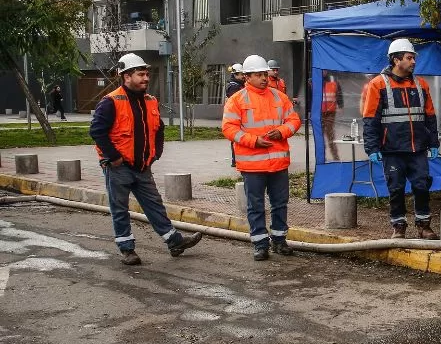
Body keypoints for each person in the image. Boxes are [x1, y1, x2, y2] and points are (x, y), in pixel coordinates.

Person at [89, 53, 204, 266]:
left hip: (142, 166)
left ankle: (174, 242)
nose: (146, 78)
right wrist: (113, 158)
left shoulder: (150, 101)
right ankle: (127, 250)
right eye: (141, 74)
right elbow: (97, 132)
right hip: (119, 167)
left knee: (155, 206)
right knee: (120, 209)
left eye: (146, 74)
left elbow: (158, 128)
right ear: (126, 77)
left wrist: (156, 153)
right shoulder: (111, 102)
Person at [223, 55, 301, 261]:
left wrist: (282, 131)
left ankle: (279, 240)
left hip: (278, 163)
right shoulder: (237, 100)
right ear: (247, 77)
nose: (264, 78)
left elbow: (294, 120)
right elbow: (229, 129)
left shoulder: (279, 97)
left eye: (265, 74)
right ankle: (260, 244)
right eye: (259, 75)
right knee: (255, 206)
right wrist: (254, 141)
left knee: (280, 203)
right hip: (252, 165)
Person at [361, 38, 439, 239]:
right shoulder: (377, 85)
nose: (413, 61)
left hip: (418, 148)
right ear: (396, 60)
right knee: (396, 188)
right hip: (392, 149)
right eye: (409, 57)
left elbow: (430, 116)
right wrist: (372, 147)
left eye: (413, 58)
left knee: (422, 186)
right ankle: (398, 226)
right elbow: (370, 118)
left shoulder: (421, 84)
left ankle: (424, 225)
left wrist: (434, 142)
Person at [320, 70, 343, 161]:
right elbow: (310, 95)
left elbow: (339, 93)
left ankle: (335, 157)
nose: (323, 72)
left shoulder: (333, 80)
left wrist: (341, 105)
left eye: (325, 70)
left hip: (330, 112)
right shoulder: (314, 81)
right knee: (320, 136)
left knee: (330, 135)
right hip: (319, 112)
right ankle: (322, 157)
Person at [225, 64, 245, 167]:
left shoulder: (238, 85)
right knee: (236, 139)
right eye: (242, 74)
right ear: (235, 74)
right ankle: (236, 160)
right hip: (235, 117)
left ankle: (237, 160)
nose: (244, 76)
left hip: (236, 116)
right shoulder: (234, 87)